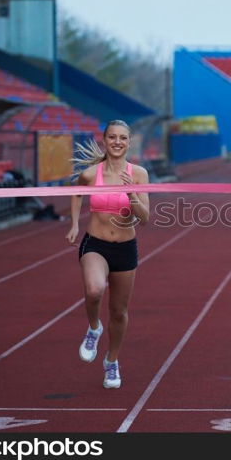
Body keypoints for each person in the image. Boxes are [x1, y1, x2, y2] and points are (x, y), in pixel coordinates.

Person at [66, 120, 150, 389]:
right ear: (104, 140)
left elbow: (145, 218)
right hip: (96, 244)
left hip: (125, 248)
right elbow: (77, 193)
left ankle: (111, 361)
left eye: (122, 138)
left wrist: (132, 194)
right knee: (94, 290)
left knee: (118, 311)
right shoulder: (92, 174)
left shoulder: (138, 174)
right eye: (112, 137)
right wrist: (75, 224)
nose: (117, 142)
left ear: (129, 142)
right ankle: (93, 328)